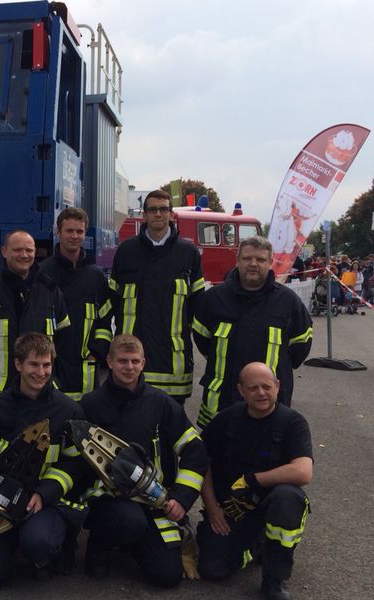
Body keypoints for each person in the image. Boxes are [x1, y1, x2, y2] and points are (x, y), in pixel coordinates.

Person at [0, 333, 85, 588]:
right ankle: (9, 543)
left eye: (46, 365)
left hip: (41, 503)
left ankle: (45, 555)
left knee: (39, 542)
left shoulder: (68, 411)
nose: (41, 372)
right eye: (34, 365)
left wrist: (45, 493)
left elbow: (74, 464)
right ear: (18, 364)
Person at [79, 334, 207, 587]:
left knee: (167, 577)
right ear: (110, 362)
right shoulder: (90, 405)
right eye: (123, 361)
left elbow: (195, 450)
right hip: (109, 498)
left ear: (144, 362)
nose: (129, 367)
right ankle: (100, 545)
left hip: (155, 500)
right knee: (129, 523)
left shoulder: (161, 403)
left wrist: (181, 498)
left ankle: (138, 545)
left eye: (135, 361)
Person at [197, 362, 312, 600]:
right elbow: (200, 462)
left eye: (266, 386)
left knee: (288, 498)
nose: (261, 393)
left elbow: (303, 472)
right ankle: (254, 546)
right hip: (235, 510)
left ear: (278, 386)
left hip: (272, 505)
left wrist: (253, 480)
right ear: (241, 390)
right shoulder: (227, 419)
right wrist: (211, 508)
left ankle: (274, 578)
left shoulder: (293, 423)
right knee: (212, 569)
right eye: (253, 388)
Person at [193, 236, 313, 428]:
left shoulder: (289, 303)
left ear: (270, 263)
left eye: (261, 259)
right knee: (216, 457)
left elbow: (300, 348)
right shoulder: (213, 299)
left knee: (268, 456)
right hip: (221, 406)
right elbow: (202, 340)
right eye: (247, 258)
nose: (253, 264)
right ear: (237, 261)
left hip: (269, 407)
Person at [108, 190, 205, 405]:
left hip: (173, 363)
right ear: (145, 215)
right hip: (131, 364)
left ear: (171, 214)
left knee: (171, 431)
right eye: (153, 209)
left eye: (163, 209)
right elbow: (111, 303)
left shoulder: (188, 254)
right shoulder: (127, 252)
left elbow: (199, 309)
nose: (158, 214)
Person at [0, 230, 69, 415]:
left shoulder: (49, 290)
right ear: (4, 251)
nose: (24, 255)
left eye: (29, 250)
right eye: (17, 249)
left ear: (35, 252)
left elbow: (62, 339)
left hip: (38, 396)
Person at [39, 207, 112, 400]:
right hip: (51, 368)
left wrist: (97, 351)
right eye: (69, 231)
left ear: (85, 233)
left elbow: (105, 320)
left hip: (86, 372)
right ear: (58, 232)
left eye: (79, 231)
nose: (74, 236)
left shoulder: (95, 276)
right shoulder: (42, 273)